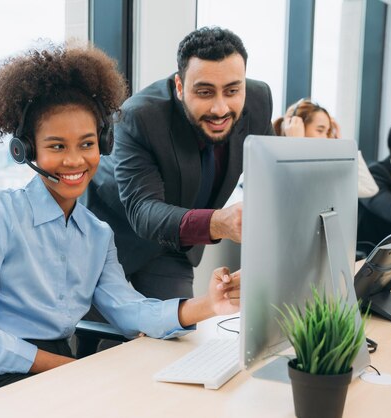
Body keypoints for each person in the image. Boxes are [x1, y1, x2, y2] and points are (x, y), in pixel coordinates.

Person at [0, 42, 241, 387]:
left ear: (104, 145)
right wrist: (68, 368)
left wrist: (210, 304)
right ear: (25, 148)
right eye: (57, 146)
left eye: (86, 144)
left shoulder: (97, 234)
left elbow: (130, 311)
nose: (74, 161)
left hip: (57, 370)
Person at [83, 27, 273, 300]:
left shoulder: (259, 101)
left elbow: (275, 187)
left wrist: (259, 268)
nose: (220, 108)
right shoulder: (139, 116)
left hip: (174, 243)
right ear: (180, 87)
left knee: (177, 334)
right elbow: (143, 210)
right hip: (112, 235)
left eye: (232, 90)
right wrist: (219, 222)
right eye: (205, 92)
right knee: (100, 337)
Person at [274, 98, 378, 199]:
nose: (325, 137)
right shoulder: (276, 162)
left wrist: (341, 146)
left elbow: (369, 189)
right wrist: (296, 145)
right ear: (297, 126)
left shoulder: (323, 169)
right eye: (320, 130)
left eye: (327, 132)